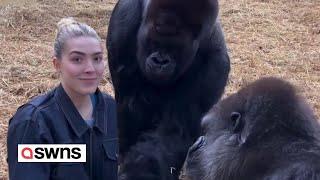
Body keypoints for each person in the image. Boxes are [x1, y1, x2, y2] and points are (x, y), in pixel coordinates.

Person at [7, 17, 118, 180]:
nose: (90, 69)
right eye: (77, 59)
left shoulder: (112, 109)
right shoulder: (34, 123)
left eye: (97, 58)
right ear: (57, 64)